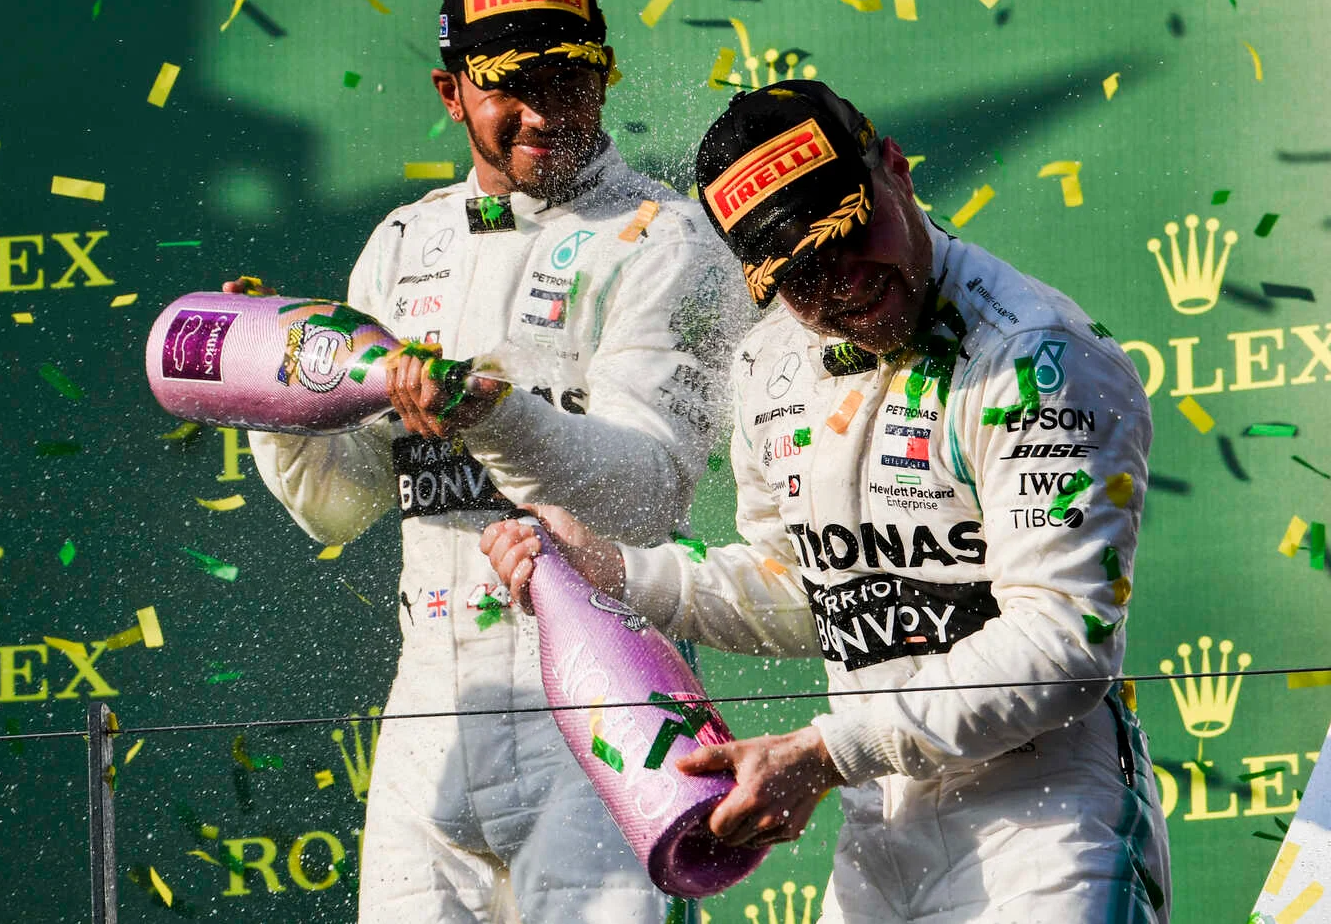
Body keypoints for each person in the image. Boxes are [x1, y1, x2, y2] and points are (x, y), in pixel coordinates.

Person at [481, 81, 1171, 923]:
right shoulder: (769, 365)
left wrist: (823, 753)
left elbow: (1065, 645)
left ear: (895, 169)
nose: (838, 282)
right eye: (796, 273)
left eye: (845, 235)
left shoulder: (1034, 359)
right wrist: (613, 571)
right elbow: (808, 590)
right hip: (875, 827)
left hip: (1045, 823)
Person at [239, 0, 746, 923]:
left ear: (605, 75)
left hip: (605, 700)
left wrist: (491, 413)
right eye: (516, 86)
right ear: (449, 90)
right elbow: (342, 504)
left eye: (573, 78)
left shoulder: (664, 240)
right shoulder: (400, 245)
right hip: (430, 707)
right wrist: (275, 399)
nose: (550, 112)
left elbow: (646, 494)